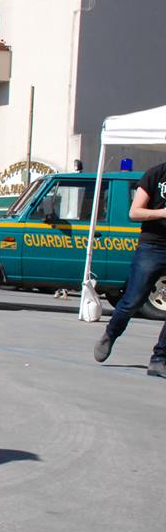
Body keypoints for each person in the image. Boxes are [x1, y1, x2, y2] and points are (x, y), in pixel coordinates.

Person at [94, 161, 166, 378]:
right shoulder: (156, 174)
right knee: (133, 300)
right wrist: (163, 213)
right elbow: (135, 213)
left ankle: (159, 360)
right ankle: (111, 333)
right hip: (153, 246)